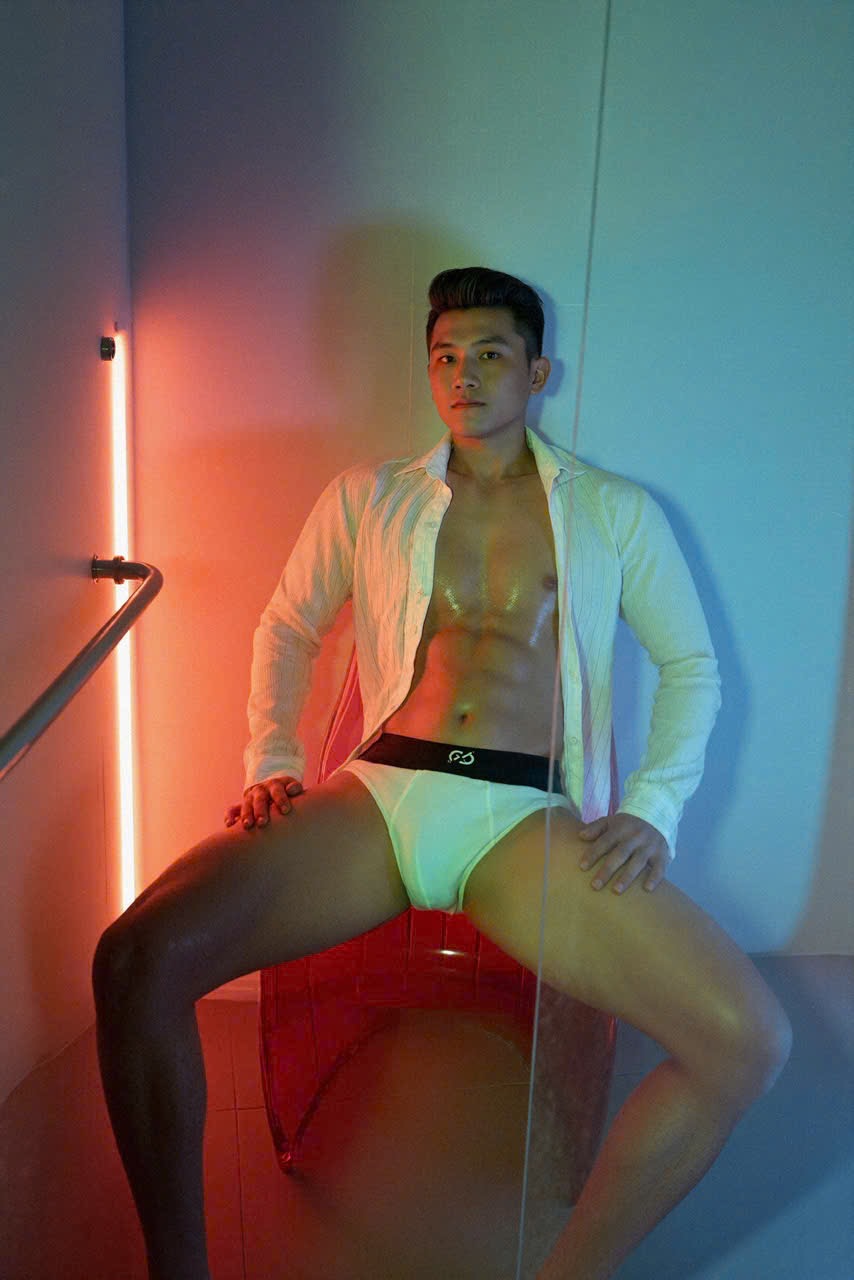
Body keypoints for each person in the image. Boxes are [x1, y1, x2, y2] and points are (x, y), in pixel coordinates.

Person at [93, 267, 791, 1280]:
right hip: (382, 791)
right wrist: (273, 756)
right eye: (445, 356)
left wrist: (653, 805)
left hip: (520, 814)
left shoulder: (609, 510)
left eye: (490, 354)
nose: (463, 375)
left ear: (538, 373)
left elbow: (692, 665)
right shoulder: (372, 494)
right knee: (134, 957)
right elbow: (287, 624)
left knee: (747, 1041)